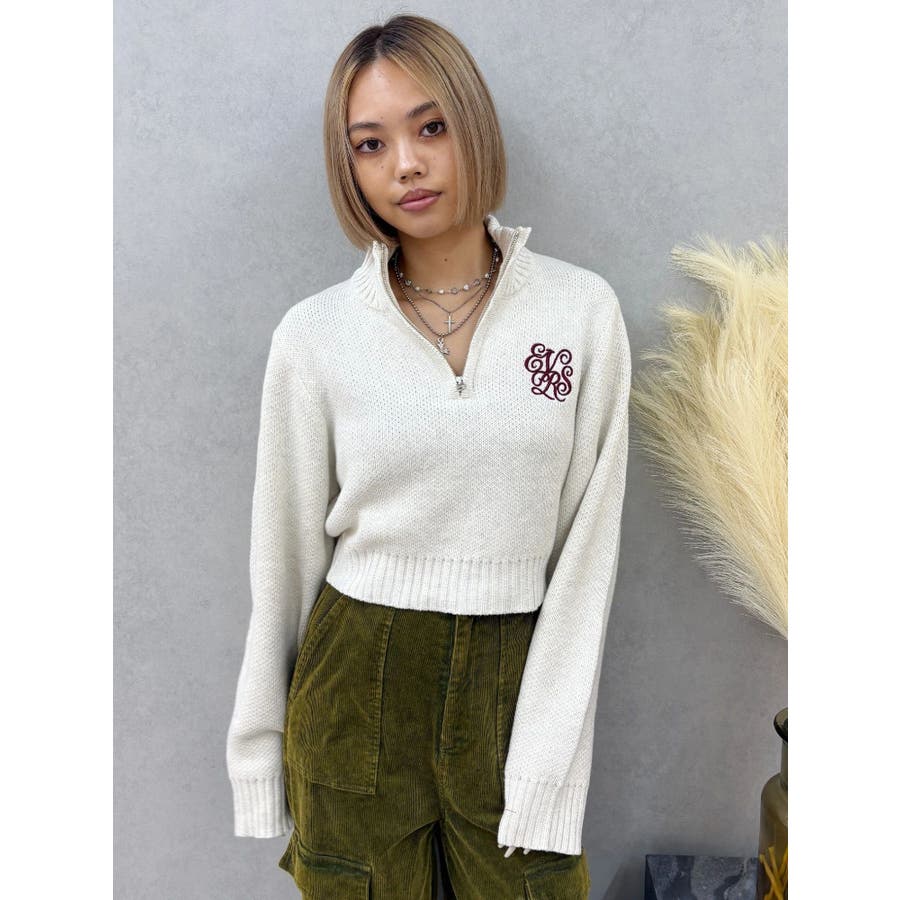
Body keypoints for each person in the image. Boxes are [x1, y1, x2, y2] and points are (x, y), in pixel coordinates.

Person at [225, 13, 631, 899]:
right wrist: (257, 751)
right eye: (370, 144)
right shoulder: (315, 336)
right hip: (354, 680)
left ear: (471, 125)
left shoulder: (581, 314)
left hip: (514, 676)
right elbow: (282, 560)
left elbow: (586, 559)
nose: (404, 164)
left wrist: (546, 766)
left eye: (430, 127)